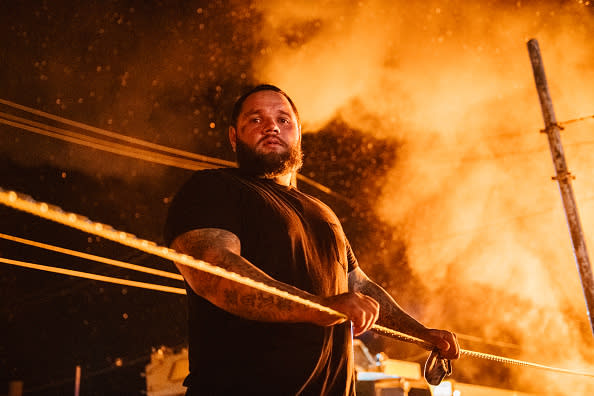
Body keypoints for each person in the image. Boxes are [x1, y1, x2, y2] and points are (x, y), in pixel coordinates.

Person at [164, 84, 459, 396]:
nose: (271, 126)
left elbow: (357, 286)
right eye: (255, 119)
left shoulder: (322, 212)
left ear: (299, 133)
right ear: (233, 137)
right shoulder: (212, 188)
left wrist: (423, 335)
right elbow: (214, 273)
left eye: (283, 119)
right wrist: (320, 307)